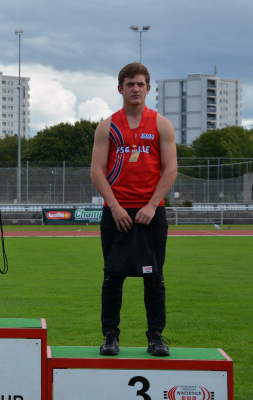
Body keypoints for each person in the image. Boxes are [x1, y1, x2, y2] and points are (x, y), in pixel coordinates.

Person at [90, 62, 178, 356]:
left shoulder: (161, 124)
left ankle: (156, 337)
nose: (135, 89)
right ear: (120, 89)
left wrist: (152, 205)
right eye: (130, 84)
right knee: (112, 276)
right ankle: (110, 336)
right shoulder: (107, 126)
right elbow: (96, 171)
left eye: (140, 84)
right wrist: (115, 207)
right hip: (116, 213)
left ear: (148, 88)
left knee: (154, 277)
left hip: (151, 213)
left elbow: (170, 169)